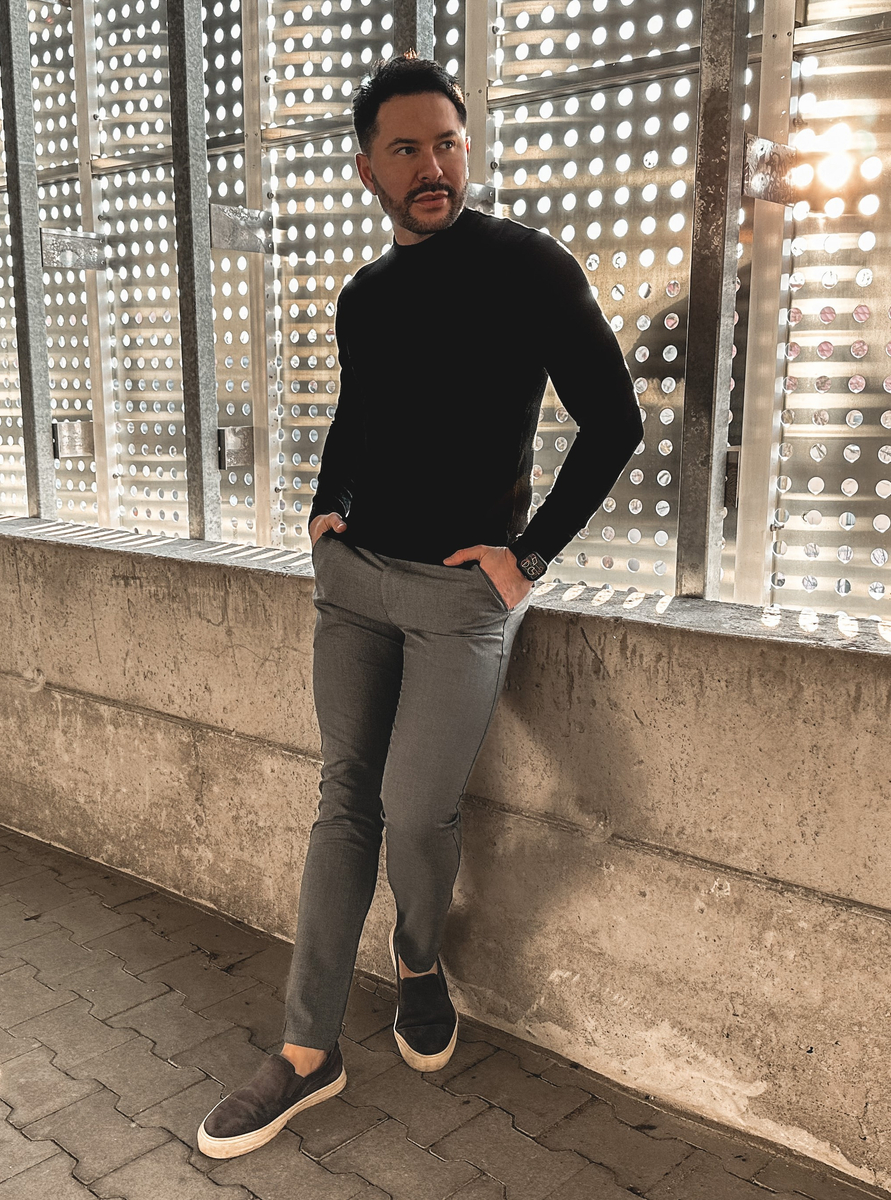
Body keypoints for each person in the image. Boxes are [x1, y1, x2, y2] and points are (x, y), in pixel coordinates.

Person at [197, 53, 642, 1161]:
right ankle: (307, 1050)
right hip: (354, 588)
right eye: (406, 149)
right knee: (342, 800)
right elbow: (359, 416)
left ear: (465, 148)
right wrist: (324, 510)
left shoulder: (529, 267)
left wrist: (528, 557)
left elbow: (614, 420)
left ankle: (418, 957)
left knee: (414, 811)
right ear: (369, 169)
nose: (432, 166)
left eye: (447, 142)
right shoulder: (365, 296)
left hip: (459, 597)